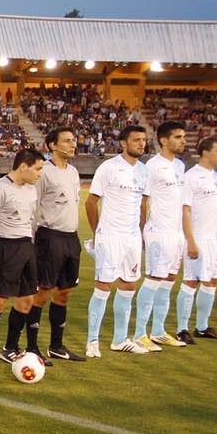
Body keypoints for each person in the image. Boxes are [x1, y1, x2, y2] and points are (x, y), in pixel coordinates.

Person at [84, 125, 149, 358]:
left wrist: (141, 234)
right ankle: (92, 341)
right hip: (110, 235)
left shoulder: (144, 171)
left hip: (132, 237)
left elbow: (143, 205)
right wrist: (98, 232)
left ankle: (120, 340)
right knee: (103, 286)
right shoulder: (109, 167)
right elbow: (91, 202)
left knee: (129, 285)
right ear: (123, 143)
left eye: (144, 140)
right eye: (136, 140)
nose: (141, 144)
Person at [0, 148, 43, 364]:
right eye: (37, 169)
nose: (39, 174)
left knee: (27, 299)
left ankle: (10, 347)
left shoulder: (31, 189)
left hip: (26, 246)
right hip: (3, 246)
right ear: (23, 166)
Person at [34, 127, 88, 361]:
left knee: (63, 293)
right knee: (42, 293)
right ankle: (31, 346)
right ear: (52, 146)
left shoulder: (74, 171)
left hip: (70, 238)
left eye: (73, 140)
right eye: (66, 141)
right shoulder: (44, 172)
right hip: (49, 237)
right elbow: (32, 205)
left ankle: (57, 345)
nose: (72, 144)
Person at [136, 120, 188, 349]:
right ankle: (140, 334)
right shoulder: (152, 166)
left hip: (176, 233)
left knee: (168, 281)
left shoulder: (180, 166)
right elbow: (142, 201)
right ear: (164, 140)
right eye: (178, 137)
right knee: (153, 279)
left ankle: (158, 330)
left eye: (183, 137)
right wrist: (140, 231)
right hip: (158, 231)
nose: (183, 141)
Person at [179, 136, 217, 341]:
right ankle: (182, 329)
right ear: (206, 153)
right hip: (198, 238)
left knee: (212, 281)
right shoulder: (192, 176)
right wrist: (190, 240)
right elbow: (185, 210)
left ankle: (202, 326)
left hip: (215, 240)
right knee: (191, 281)